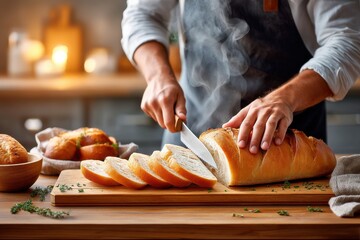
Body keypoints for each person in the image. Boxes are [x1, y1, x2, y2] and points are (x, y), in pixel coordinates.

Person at [121, 0, 360, 154]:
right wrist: (158, 77)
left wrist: (283, 99)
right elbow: (142, 15)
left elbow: (347, 40)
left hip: (290, 140)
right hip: (190, 133)